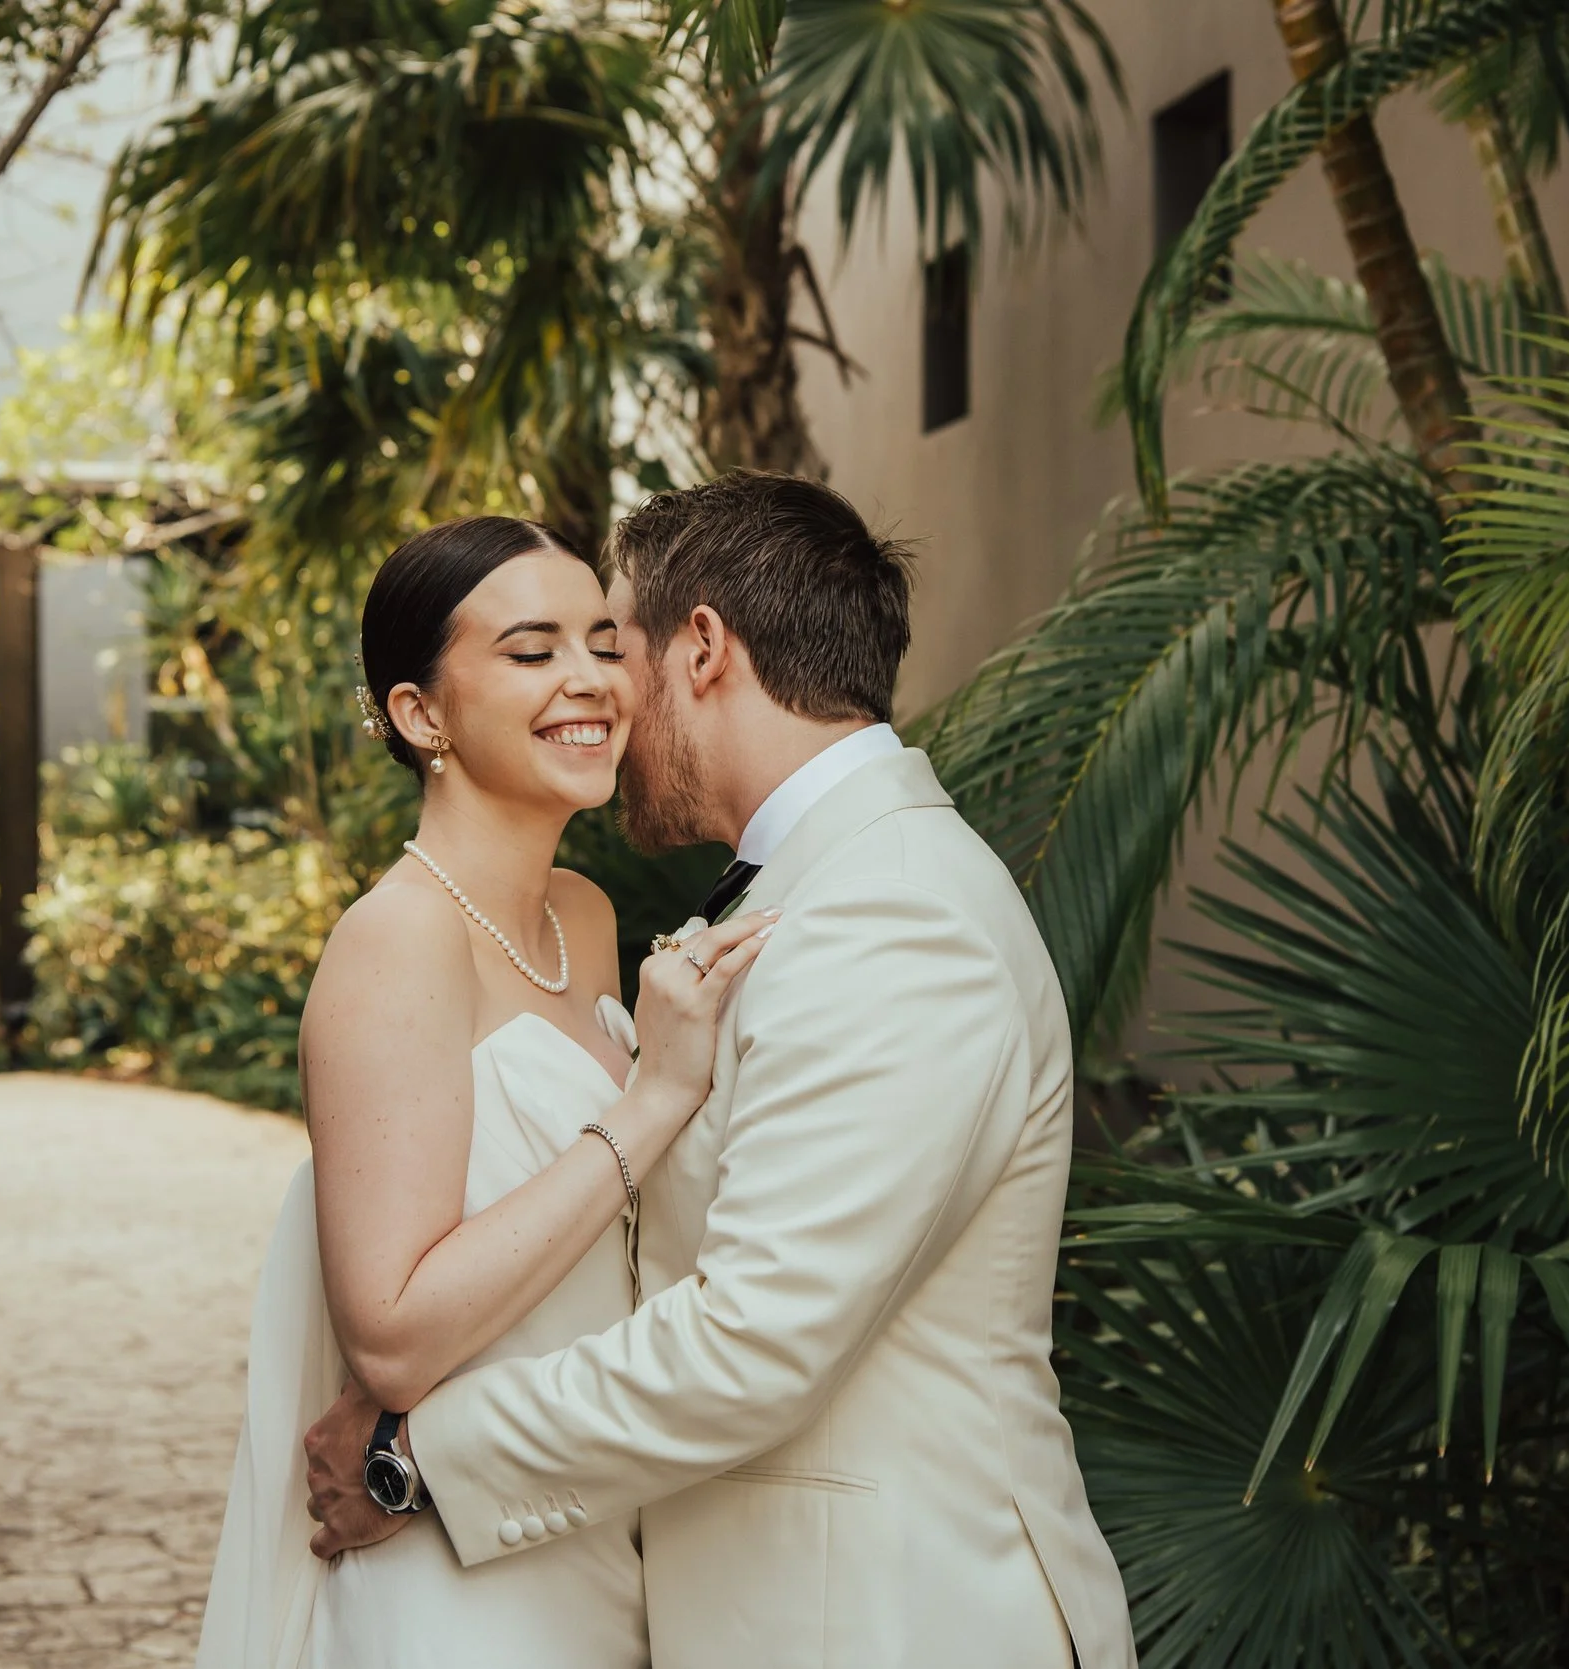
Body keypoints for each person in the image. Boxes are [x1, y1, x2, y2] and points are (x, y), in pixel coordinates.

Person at [302, 471, 1136, 1669]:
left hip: (889, 1622)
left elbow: (753, 1340)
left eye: (612, 647)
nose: (601, 695)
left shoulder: (892, 915)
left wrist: (420, 1459)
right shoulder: (817, 891)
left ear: (699, 650)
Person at [193, 514, 773, 1669]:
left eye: (604, 642)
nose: (589, 679)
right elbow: (396, 1338)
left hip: (584, 1528)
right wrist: (652, 1100)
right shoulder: (396, 943)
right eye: (530, 650)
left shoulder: (584, 913)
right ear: (419, 714)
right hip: (455, 1592)